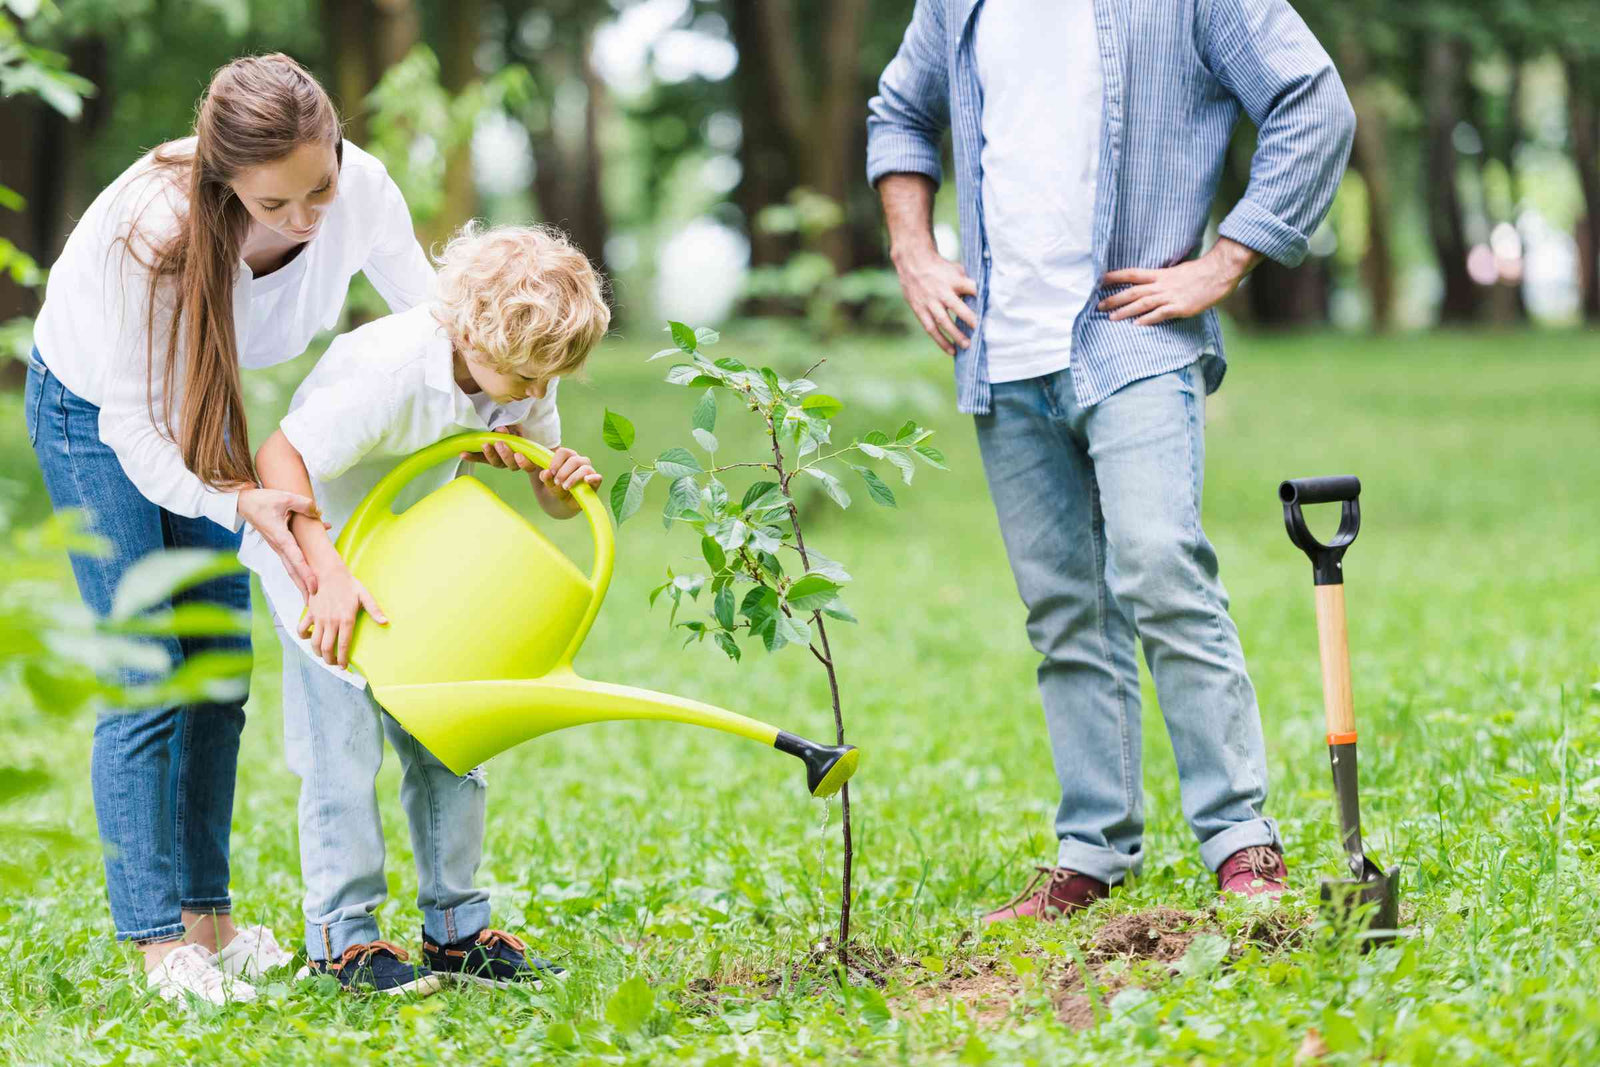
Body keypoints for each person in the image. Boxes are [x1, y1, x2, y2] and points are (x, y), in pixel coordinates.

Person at [866, 0, 1356, 921]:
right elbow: (898, 113)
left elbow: (1313, 100)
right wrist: (914, 252)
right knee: (1063, 609)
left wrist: (1226, 261)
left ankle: (1240, 837)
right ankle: (1093, 849)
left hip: (1133, 335)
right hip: (1001, 347)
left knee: (1161, 566)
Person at [23, 53, 436, 1001]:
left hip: (204, 405)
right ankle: (159, 943)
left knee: (216, 670)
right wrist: (235, 499)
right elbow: (132, 423)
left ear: (335, 147)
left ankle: (211, 920)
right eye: (273, 204)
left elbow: (431, 320)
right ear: (224, 183)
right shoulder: (156, 233)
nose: (305, 218)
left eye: (317, 187)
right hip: (95, 412)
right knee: (147, 672)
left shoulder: (361, 190)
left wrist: (496, 411)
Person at [245, 222, 610, 995]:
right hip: (320, 561)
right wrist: (328, 574)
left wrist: (560, 483)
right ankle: (342, 937)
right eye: (525, 377)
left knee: (452, 739)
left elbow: (551, 498)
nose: (537, 393)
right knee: (341, 758)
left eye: (551, 380)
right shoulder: (392, 371)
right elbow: (278, 457)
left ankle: (457, 929)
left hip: (414, 566)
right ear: (473, 330)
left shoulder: (520, 371)